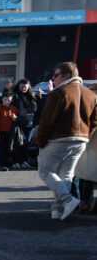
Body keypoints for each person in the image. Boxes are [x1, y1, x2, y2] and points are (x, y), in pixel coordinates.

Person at [34, 61, 97, 220]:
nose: (53, 79)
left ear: (66, 76)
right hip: (81, 140)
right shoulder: (91, 95)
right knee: (66, 175)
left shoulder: (58, 93)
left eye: (56, 75)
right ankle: (57, 210)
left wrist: (40, 139)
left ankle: (68, 201)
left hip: (60, 138)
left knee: (45, 170)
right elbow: (95, 121)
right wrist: (86, 136)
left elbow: (47, 120)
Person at [11, 77, 37, 168]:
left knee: (26, 144)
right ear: (18, 86)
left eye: (25, 87)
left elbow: (36, 109)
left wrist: (39, 96)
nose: (23, 88)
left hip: (29, 123)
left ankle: (23, 161)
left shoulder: (31, 96)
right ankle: (16, 161)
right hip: (18, 123)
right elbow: (9, 105)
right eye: (22, 86)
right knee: (18, 143)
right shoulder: (15, 96)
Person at [0, 91, 18, 171]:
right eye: (5, 100)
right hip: (1, 132)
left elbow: (18, 116)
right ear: (2, 100)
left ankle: (5, 164)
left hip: (10, 132)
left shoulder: (13, 109)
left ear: (11, 100)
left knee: (8, 148)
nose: (7, 102)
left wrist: (15, 117)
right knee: (0, 149)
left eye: (9, 100)